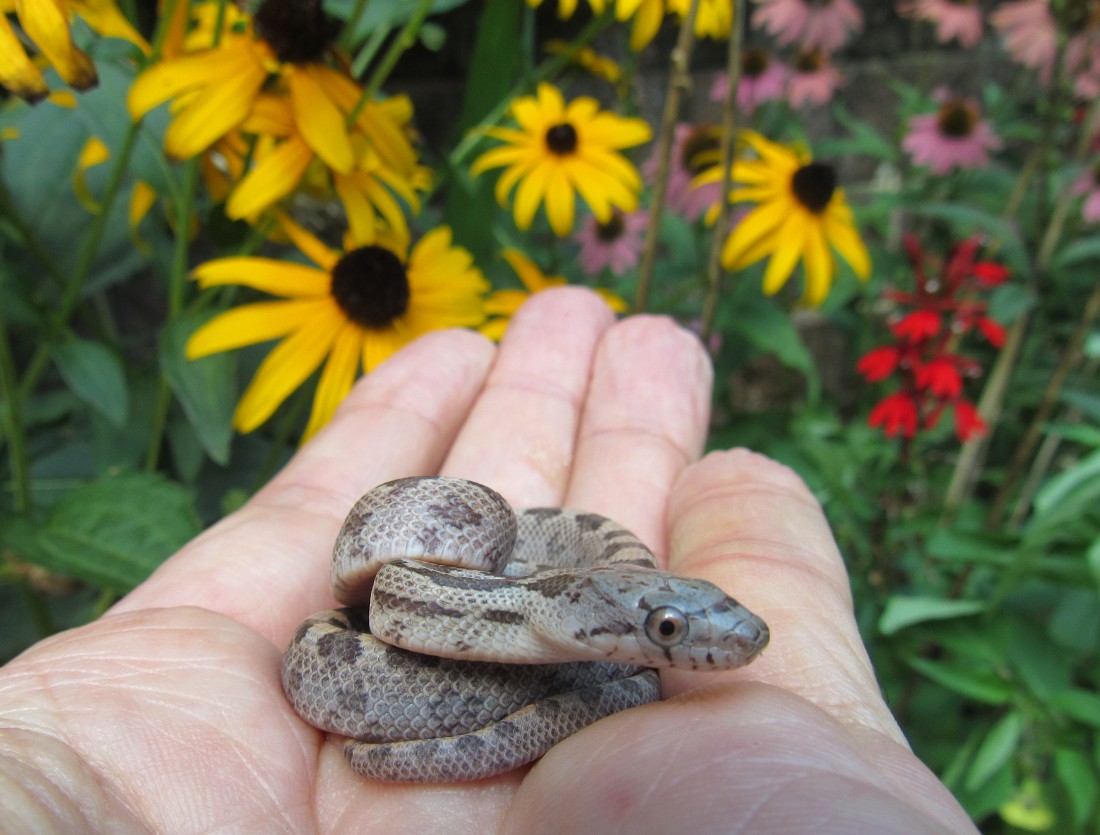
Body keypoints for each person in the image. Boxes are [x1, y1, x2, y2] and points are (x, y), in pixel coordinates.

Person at [0, 289, 977, 833]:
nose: (682, 645)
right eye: (668, 630)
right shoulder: (456, 592)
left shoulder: (574, 603)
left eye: (676, 623)